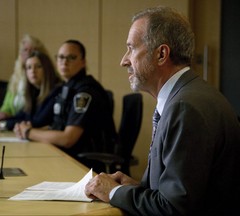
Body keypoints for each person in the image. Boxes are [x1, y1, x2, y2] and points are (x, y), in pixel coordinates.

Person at [84, 6, 240, 215]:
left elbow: (174, 208)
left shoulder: (186, 108)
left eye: (131, 48)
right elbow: (181, 191)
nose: (124, 60)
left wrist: (114, 192)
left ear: (161, 54)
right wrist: (134, 188)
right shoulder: (186, 95)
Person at [14, 40, 116, 169]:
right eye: (61, 57)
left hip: (86, 163)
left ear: (83, 62)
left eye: (71, 58)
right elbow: (58, 127)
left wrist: (29, 132)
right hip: (69, 156)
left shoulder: (85, 92)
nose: (65, 62)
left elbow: (68, 139)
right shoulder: (66, 88)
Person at [0, 51, 62, 130]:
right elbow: (22, 116)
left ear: (47, 69)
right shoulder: (34, 92)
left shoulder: (57, 91)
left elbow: (38, 122)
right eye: (29, 67)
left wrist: (2, 124)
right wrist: (0, 121)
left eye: (38, 66)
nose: (33, 71)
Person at [0, 34, 49, 121]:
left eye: (34, 49)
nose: (29, 53)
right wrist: (2, 114)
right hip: (14, 123)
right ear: (20, 54)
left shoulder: (40, 79)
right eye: (25, 50)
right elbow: (6, 106)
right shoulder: (16, 77)